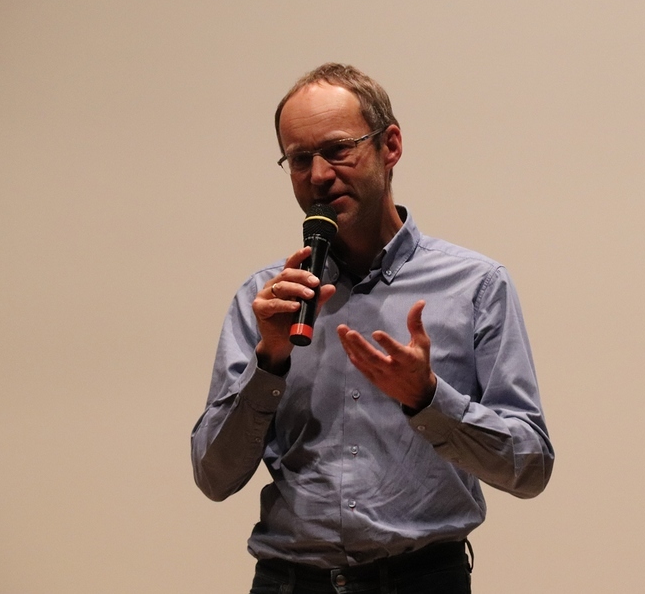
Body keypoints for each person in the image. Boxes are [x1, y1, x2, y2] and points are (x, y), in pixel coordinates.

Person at [191, 63, 554, 594]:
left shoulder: (475, 286)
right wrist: (269, 361)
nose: (319, 175)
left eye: (338, 150)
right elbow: (214, 477)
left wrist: (428, 399)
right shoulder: (267, 299)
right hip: (289, 583)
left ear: (391, 146)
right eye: (299, 159)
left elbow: (529, 467)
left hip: (420, 582)